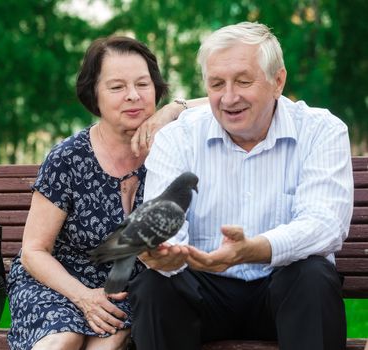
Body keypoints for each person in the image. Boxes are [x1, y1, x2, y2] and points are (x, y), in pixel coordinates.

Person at [129, 22, 354, 350]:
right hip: (205, 293)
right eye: (217, 84)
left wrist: (256, 249)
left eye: (243, 81)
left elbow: (324, 225)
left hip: (284, 292)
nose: (229, 97)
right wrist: (163, 252)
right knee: (155, 285)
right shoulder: (178, 137)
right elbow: (164, 220)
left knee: (313, 275)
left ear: (278, 81)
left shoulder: (321, 130)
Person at [6, 35, 206, 350]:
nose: (133, 96)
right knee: (62, 342)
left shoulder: (172, 148)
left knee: (108, 344)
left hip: (130, 289)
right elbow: (34, 252)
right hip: (57, 284)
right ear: (94, 95)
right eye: (116, 87)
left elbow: (235, 100)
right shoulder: (68, 157)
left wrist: (172, 111)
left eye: (143, 84)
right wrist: (83, 296)